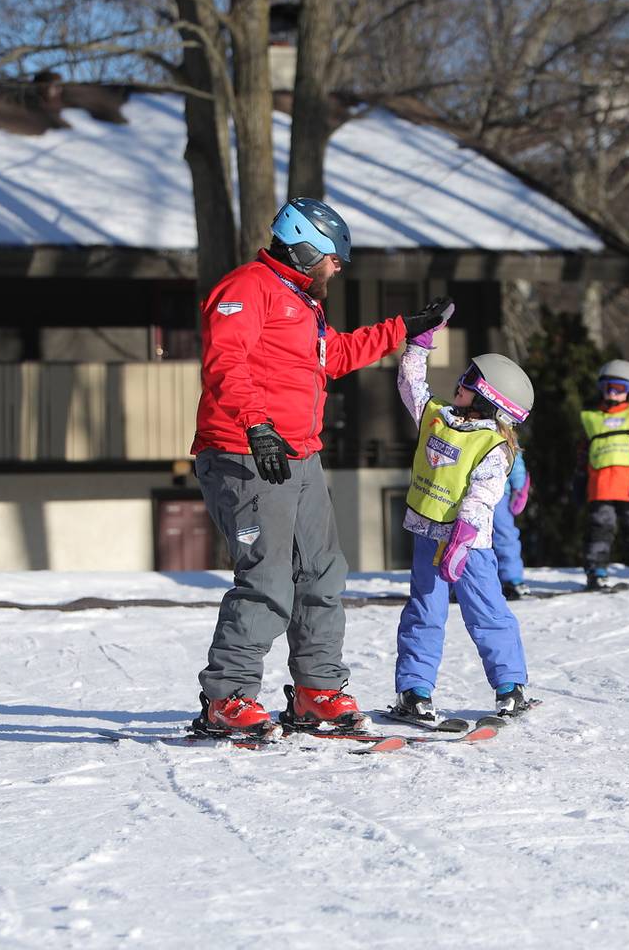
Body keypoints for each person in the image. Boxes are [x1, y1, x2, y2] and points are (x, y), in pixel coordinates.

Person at [190, 196, 453, 738]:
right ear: (305, 249)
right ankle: (227, 697)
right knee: (266, 577)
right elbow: (225, 361)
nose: (338, 267)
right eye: (334, 258)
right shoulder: (246, 289)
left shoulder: (299, 301)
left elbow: (332, 356)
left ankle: (316, 689)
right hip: (246, 452)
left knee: (321, 573)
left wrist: (402, 327)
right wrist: (257, 423)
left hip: (300, 455)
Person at [392, 319, 535, 723]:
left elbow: (482, 495)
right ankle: (414, 691)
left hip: (469, 546)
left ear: (489, 398)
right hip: (426, 535)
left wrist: (462, 538)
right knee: (424, 613)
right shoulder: (436, 415)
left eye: (471, 380)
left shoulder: (494, 444)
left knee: (487, 612)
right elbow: (410, 386)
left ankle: (510, 686)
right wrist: (418, 346)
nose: (460, 380)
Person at [576, 360, 629, 591]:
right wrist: (579, 477)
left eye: (619, 388)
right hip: (600, 487)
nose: (612, 392)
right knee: (599, 529)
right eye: (607, 387)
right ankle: (597, 572)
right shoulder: (592, 417)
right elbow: (584, 451)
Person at [493, 449, 531, 600]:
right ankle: (461, 582)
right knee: (468, 540)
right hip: (469, 493)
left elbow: (515, 461)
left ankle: (511, 578)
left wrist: (519, 488)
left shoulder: (504, 431)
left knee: (505, 536)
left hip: (499, 493)